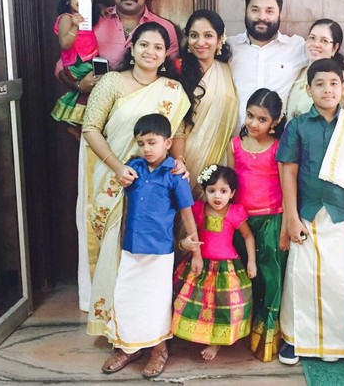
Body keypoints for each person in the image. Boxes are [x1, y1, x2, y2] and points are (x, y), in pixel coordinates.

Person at [61, 0, 181, 312]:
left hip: (151, 163)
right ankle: (102, 302)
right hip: (105, 154)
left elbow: (176, 108)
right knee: (103, 226)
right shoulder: (93, 22)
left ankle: (143, 310)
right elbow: (66, 62)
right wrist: (77, 82)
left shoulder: (165, 34)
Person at [80, 22, 192, 359]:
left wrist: (179, 161)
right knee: (119, 264)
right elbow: (90, 128)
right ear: (132, 47)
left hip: (155, 191)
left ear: (166, 54)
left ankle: (154, 338)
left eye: (158, 47)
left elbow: (178, 132)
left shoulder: (172, 90)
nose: (150, 52)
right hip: (116, 183)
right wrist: (118, 167)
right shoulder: (112, 82)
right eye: (144, 45)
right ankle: (121, 335)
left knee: (150, 270)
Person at [276, 58, 344, 365]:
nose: (327, 90)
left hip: (342, 213)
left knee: (336, 278)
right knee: (300, 276)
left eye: (333, 83)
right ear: (308, 89)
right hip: (306, 212)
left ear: (343, 88)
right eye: (319, 84)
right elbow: (288, 171)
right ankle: (294, 339)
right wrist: (291, 218)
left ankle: (332, 343)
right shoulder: (298, 126)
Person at [93, 113, 201, 378]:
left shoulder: (175, 174)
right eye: (141, 143)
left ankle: (158, 350)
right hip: (131, 248)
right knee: (126, 299)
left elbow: (187, 213)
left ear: (168, 143)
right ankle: (128, 348)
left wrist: (195, 249)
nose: (146, 149)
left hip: (159, 251)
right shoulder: (133, 169)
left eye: (152, 142)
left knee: (156, 303)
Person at [229, 0, 344, 126]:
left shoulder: (295, 46)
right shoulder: (230, 47)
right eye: (255, 10)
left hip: (281, 136)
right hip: (236, 135)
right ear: (246, 11)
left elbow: (324, 57)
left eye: (269, 11)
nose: (262, 17)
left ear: (279, 14)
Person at [172, 165, 256, 361]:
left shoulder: (235, 213)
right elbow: (190, 233)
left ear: (232, 193)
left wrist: (251, 261)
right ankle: (195, 334)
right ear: (204, 191)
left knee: (221, 306)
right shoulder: (198, 210)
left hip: (227, 268)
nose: (217, 196)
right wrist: (185, 244)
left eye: (223, 191)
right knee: (197, 302)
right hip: (200, 264)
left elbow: (248, 236)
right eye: (211, 191)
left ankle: (215, 342)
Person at [227, 88, 287, 362]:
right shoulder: (235, 145)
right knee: (246, 276)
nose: (253, 123)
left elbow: (287, 186)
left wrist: (285, 226)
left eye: (262, 119)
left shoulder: (279, 147)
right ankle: (241, 330)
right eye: (250, 116)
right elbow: (229, 186)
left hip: (272, 220)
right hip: (242, 223)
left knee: (270, 277)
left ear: (275, 121)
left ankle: (268, 336)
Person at [172, 10, 238, 201]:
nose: (200, 42)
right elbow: (173, 122)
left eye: (208, 35)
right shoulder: (176, 70)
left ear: (219, 40)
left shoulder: (227, 70)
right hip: (181, 158)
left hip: (217, 159)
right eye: (194, 35)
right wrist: (179, 160)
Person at [50, 0, 101, 128]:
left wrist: (101, 8)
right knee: (92, 88)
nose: (83, 2)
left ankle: (79, 125)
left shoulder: (87, 17)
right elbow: (65, 44)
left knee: (91, 92)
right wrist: (75, 26)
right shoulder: (66, 18)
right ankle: (74, 123)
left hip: (89, 59)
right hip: (77, 63)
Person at [285, 18, 344, 120]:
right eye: (312, 38)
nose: (315, 44)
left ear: (335, 48)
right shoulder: (297, 70)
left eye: (324, 41)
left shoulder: (342, 79)